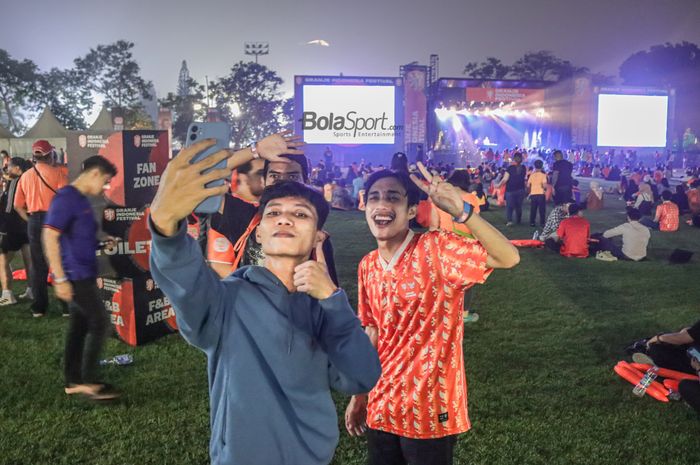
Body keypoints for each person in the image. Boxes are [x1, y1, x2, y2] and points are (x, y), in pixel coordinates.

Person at [149, 140, 381, 464]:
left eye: (300, 214)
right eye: (274, 213)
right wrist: (165, 229)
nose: (285, 219)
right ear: (259, 231)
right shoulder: (227, 300)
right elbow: (186, 281)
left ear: (318, 236)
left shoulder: (324, 307)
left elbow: (361, 375)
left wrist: (332, 300)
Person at [345, 165, 519, 465]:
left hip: (429, 408)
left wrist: (463, 211)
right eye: (374, 197)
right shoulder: (368, 265)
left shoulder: (437, 249)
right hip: (382, 404)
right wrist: (359, 395)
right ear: (365, 206)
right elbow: (372, 332)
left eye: (393, 197)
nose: (382, 204)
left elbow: (508, 257)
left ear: (411, 210)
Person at [42, 156, 120, 400]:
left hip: (83, 272)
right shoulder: (66, 198)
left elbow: (77, 237)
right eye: (106, 181)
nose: (105, 187)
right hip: (74, 275)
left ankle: (74, 381)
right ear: (95, 174)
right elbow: (49, 237)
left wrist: (101, 242)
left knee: (79, 326)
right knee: (100, 323)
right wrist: (60, 278)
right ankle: (87, 380)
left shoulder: (81, 200)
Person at [210, 147, 339, 285]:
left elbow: (329, 289)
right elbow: (201, 179)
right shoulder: (245, 217)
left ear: (306, 181)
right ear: (264, 181)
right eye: (275, 176)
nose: (283, 182)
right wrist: (256, 149)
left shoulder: (314, 236)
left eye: (293, 176)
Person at [13, 139, 69, 317]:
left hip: (34, 221)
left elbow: (17, 205)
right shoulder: (58, 173)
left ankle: (39, 308)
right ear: (50, 154)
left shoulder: (25, 176)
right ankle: (66, 307)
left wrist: (29, 221)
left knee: (38, 265)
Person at [629, 321, 700, 414]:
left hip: (696, 368)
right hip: (694, 358)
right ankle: (663, 372)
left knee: (686, 387)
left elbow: (683, 338)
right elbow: (686, 336)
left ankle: (680, 380)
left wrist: (698, 368)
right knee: (657, 349)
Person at [0, 157, 33, 305]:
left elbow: (10, 207)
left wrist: (4, 226)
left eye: (9, 167)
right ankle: (32, 290)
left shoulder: (15, 182)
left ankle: (7, 294)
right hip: (26, 225)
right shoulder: (29, 179)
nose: (7, 170)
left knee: (2, 261)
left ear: (17, 168)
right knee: (28, 259)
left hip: (13, 226)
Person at [496, 152, 526, 226]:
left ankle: (510, 221)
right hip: (521, 189)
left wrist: (498, 185)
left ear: (514, 159)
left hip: (510, 190)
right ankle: (518, 221)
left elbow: (505, 179)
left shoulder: (510, 168)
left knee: (510, 206)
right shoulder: (524, 168)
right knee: (518, 206)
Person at [527, 159, 547, 227]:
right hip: (541, 194)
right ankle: (542, 223)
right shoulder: (543, 175)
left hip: (533, 194)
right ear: (542, 166)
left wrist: (530, 191)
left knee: (533, 209)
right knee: (542, 210)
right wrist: (544, 188)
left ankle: (532, 222)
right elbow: (544, 185)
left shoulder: (532, 175)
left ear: (534, 166)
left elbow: (528, 185)